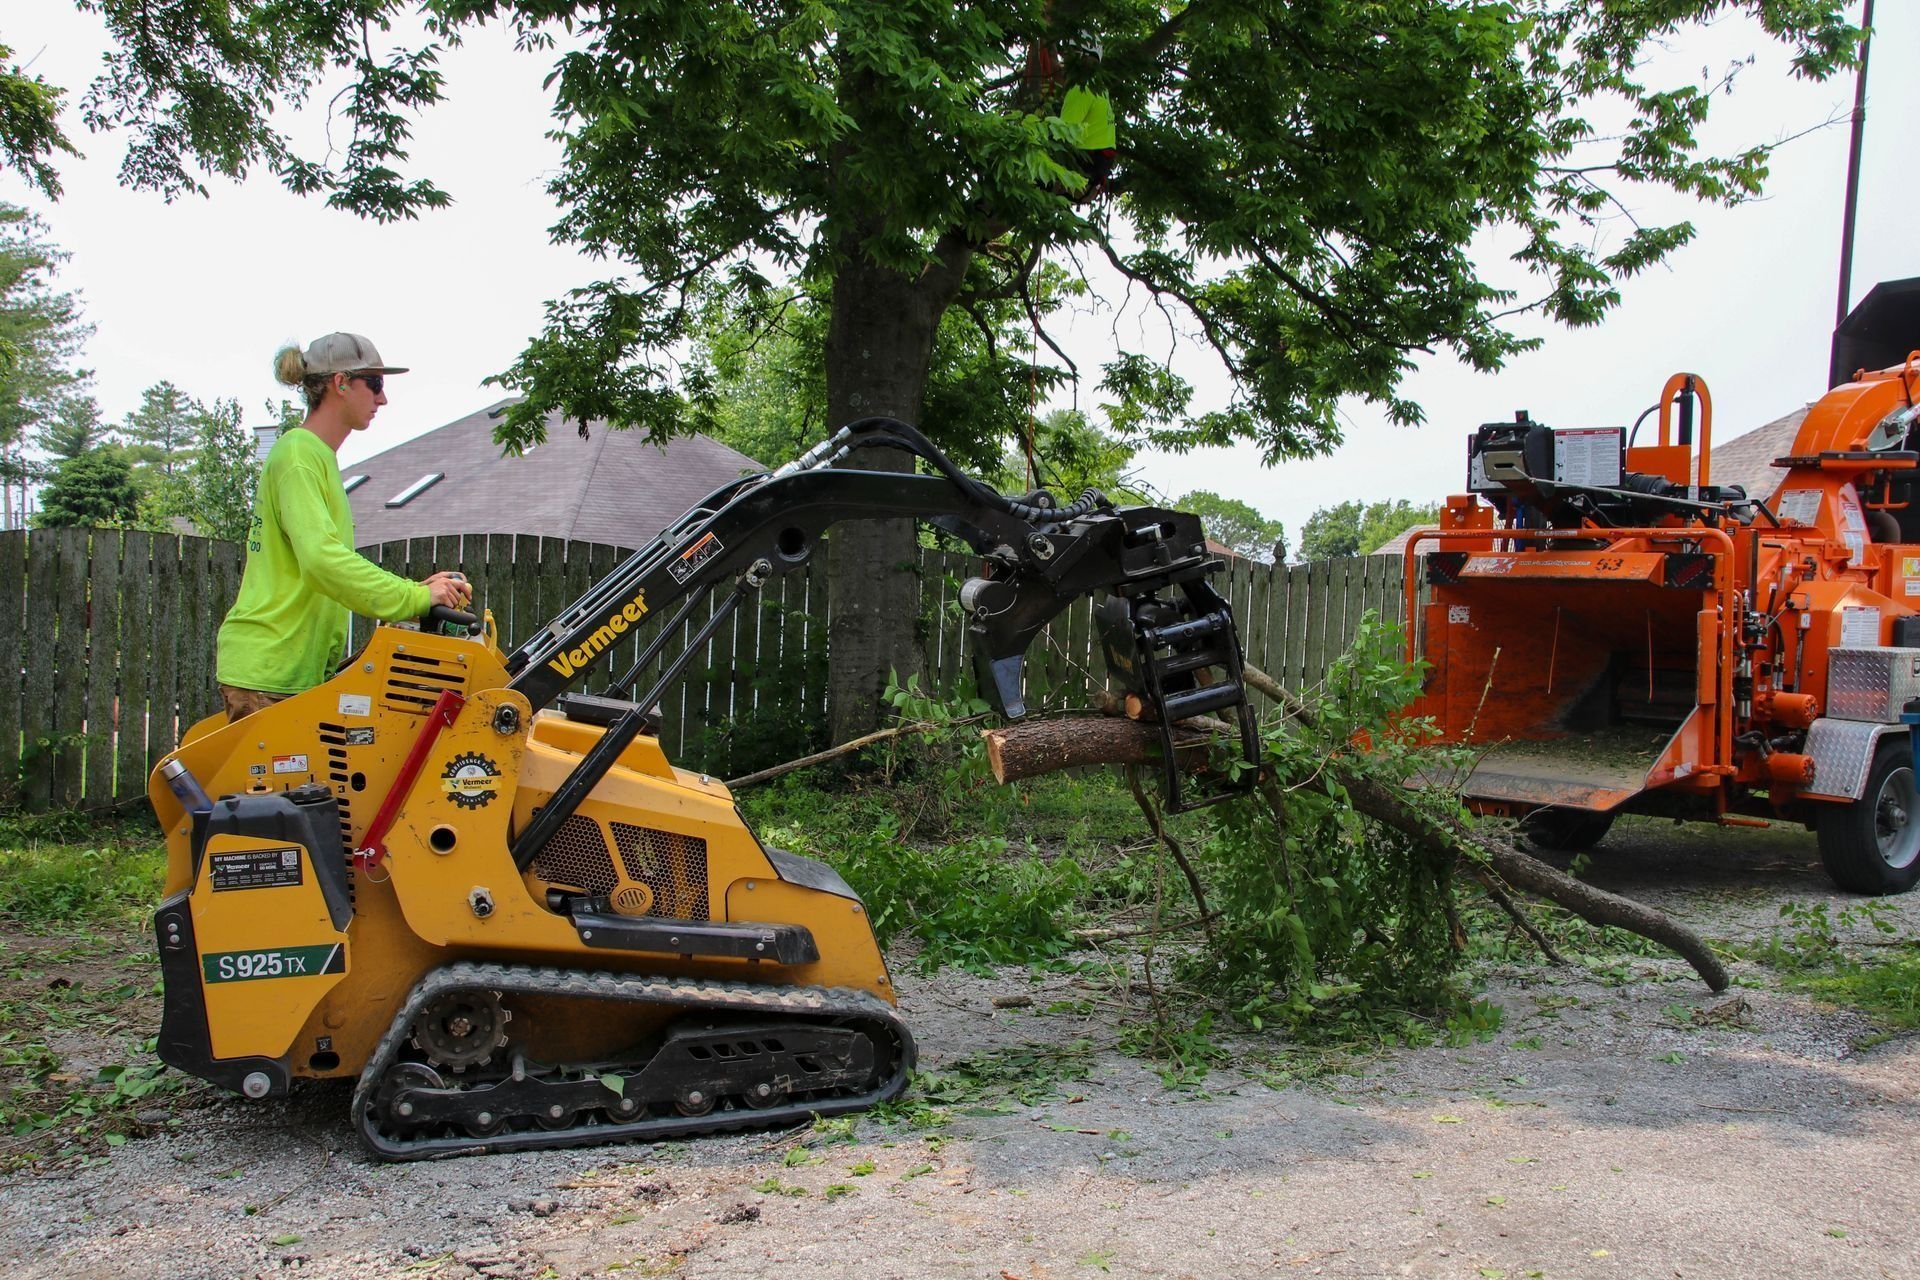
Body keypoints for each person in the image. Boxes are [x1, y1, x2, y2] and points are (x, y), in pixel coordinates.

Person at [214, 332, 471, 722]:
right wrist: (413, 598)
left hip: (286, 669)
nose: (383, 399)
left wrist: (416, 592)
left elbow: (328, 567)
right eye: (376, 384)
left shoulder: (317, 457)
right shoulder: (299, 455)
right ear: (341, 383)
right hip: (269, 674)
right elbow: (323, 562)